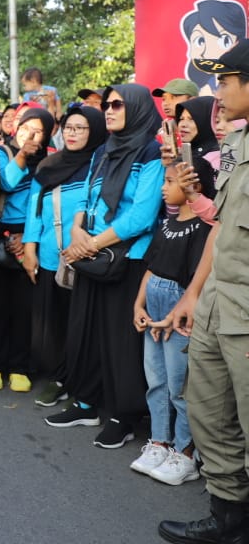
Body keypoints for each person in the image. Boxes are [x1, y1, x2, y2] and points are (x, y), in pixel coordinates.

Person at [158, 42, 249, 541]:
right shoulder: (239, 146)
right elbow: (223, 225)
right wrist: (194, 293)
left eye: (227, 80)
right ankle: (226, 517)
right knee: (209, 413)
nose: (218, 90)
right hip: (218, 303)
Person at [46, 84, 163, 449]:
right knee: (85, 333)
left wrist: (91, 243)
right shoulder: (103, 151)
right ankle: (85, 402)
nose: (108, 110)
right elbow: (89, 198)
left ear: (138, 109)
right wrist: (79, 229)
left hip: (127, 258)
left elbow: (142, 215)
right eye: (107, 104)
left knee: (120, 341)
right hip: (93, 256)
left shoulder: (151, 151)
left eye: (117, 105)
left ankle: (122, 415)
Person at [129, 162, 213, 486]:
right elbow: (151, 268)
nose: (164, 187)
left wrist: (173, 313)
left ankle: (186, 451)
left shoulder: (204, 230)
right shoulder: (167, 224)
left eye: (171, 181)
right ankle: (159, 442)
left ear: (195, 185)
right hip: (154, 310)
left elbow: (195, 283)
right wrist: (139, 304)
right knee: (157, 381)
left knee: (180, 386)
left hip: (177, 315)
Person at [21, 105, 107, 407]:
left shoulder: (101, 164)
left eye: (80, 128)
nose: (72, 133)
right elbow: (35, 207)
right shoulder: (48, 165)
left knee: (80, 326)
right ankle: (60, 377)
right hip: (48, 256)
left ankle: (80, 382)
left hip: (86, 257)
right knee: (51, 326)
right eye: (68, 127)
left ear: (95, 130)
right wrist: (29, 248)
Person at [0, 105, 56, 394]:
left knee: (25, 308)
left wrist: (28, 238)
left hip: (32, 237)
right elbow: (5, 182)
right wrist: (23, 154)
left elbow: (45, 205)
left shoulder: (51, 161)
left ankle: (21, 366)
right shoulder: (0, 153)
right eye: (26, 128)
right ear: (15, 128)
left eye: (38, 130)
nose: (31, 134)